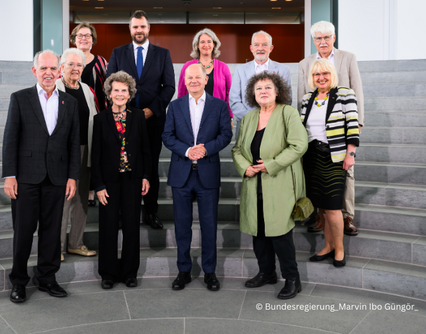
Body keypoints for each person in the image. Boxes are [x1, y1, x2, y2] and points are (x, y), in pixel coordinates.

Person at [2, 50, 81, 303]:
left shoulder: (70, 103)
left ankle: (47, 277)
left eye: (53, 68)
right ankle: (19, 281)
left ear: (59, 72)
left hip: (57, 178)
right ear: (35, 71)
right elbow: (10, 139)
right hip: (25, 178)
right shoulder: (20, 98)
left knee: (51, 231)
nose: (48, 73)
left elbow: (73, 143)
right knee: (23, 232)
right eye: (43, 68)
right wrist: (10, 175)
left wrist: (72, 177)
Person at [232, 72, 307, 299]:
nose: (263, 91)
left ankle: (293, 279)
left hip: (280, 182)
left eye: (268, 87)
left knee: (281, 235)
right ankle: (267, 273)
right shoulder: (248, 119)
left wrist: (271, 165)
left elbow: (299, 145)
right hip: (254, 183)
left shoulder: (288, 113)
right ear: (252, 95)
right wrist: (246, 167)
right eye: (258, 88)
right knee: (259, 233)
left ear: (277, 92)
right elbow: (236, 149)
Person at [162, 64, 232, 292]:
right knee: (182, 227)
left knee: (209, 226)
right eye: (189, 77)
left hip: (207, 173)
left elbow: (225, 134)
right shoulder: (174, 106)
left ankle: (209, 272)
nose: (193, 80)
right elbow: (167, 136)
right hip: (181, 173)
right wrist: (187, 151)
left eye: (197, 77)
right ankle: (183, 271)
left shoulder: (219, 106)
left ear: (205, 79)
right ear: (184, 81)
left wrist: (206, 149)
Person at [107, 10, 175, 230]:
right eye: (135, 27)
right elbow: (110, 85)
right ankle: (120, 214)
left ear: (148, 29)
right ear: (130, 29)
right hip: (122, 120)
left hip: (152, 121)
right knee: (121, 167)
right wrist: (122, 109)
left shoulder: (162, 54)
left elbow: (169, 87)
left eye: (142, 27)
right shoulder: (118, 53)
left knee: (150, 167)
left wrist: (151, 110)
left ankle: (151, 213)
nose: (139, 30)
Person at [298, 21, 364, 236]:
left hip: (342, 127)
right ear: (313, 40)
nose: (323, 41)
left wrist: (358, 124)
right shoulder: (305, 63)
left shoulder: (348, 57)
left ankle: (346, 216)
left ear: (334, 38)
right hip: (314, 129)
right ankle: (318, 214)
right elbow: (301, 96)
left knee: (347, 172)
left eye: (327, 37)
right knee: (314, 173)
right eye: (318, 38)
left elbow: (357, 91)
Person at [91, 71, 151, 290]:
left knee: (131, 226)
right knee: (107, 227)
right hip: (109, 182)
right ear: (109, 93)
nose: (119, 94)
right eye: (115, 90)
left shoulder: (137, 117)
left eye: (124, 90)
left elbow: (146, 150)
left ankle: (129, 273)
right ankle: (107, 273)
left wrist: (145, 176)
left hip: (132, 180)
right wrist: (98, 185)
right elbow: (95, 155)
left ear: (130, 93)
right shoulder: (99, 120)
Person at [301, 59, 360, 268]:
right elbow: (301, 129)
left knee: (334, 208)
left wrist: (350, 153)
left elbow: (352, 124)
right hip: (311, 157)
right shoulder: (308, 98)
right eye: (317, 74)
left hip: (334, 157)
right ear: (312, 77)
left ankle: (340, 249)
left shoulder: (345, 94)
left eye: (325, 73)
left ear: (332, 74)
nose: (321, 77)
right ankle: (327, 246)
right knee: (322, 209)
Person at [55, 48, 98, 261]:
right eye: (70, 64)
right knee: (64, 199)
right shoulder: (55, 88)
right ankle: (58, 246)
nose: (75, 68)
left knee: (81, 199)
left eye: (79, 65)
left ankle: (76, 243)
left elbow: (94, 119)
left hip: (85, 149)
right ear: (61, 66)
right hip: (63, 152)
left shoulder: (88, 90)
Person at [229, 31, 291, 138]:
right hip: (246, 125)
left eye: (264, 45)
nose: (260, 48)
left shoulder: (283, 70)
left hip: (274, 126)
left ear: (271, 48)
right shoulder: (240, 70)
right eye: (256, 45)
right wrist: (253, 118)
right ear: (251, 48)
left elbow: (286, 100)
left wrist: (268, 118)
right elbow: (234, 101)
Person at [177, 28, 233, 127]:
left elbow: (229, 95)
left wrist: (229, 117)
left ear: (214, 44)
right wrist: (179, 117)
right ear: (197, 45)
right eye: (202, 42)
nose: (206, 45)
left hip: (217, 117)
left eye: (209, 41)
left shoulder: (223, 67)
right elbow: (181, 93)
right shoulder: (187, 66)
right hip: (192, 117)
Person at [70, 22, 108, 112]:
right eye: (79, 35)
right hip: (71, 112)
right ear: (74, 39)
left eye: (87, 36)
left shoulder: (101, 62)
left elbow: (109, 87)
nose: (83, 38)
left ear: (92, 39)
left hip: (98, 112)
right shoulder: (64, 61)